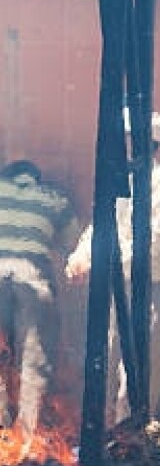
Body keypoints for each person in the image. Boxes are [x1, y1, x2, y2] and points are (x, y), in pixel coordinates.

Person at [0, 159, 79, 461]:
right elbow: (72, 239)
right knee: (34, 360)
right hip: (34, 276)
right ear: (36, 179)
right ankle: (29, 442)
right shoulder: (55, 198)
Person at [66, 112, 160, 426]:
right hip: (119, 285)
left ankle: (130, 433)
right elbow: (102, 224)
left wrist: (103, 262)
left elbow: (153, 244)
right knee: (106, 359)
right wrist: (81, 256)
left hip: (150, 289)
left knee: (137, 370)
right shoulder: (125, 182)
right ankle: (106, 432)